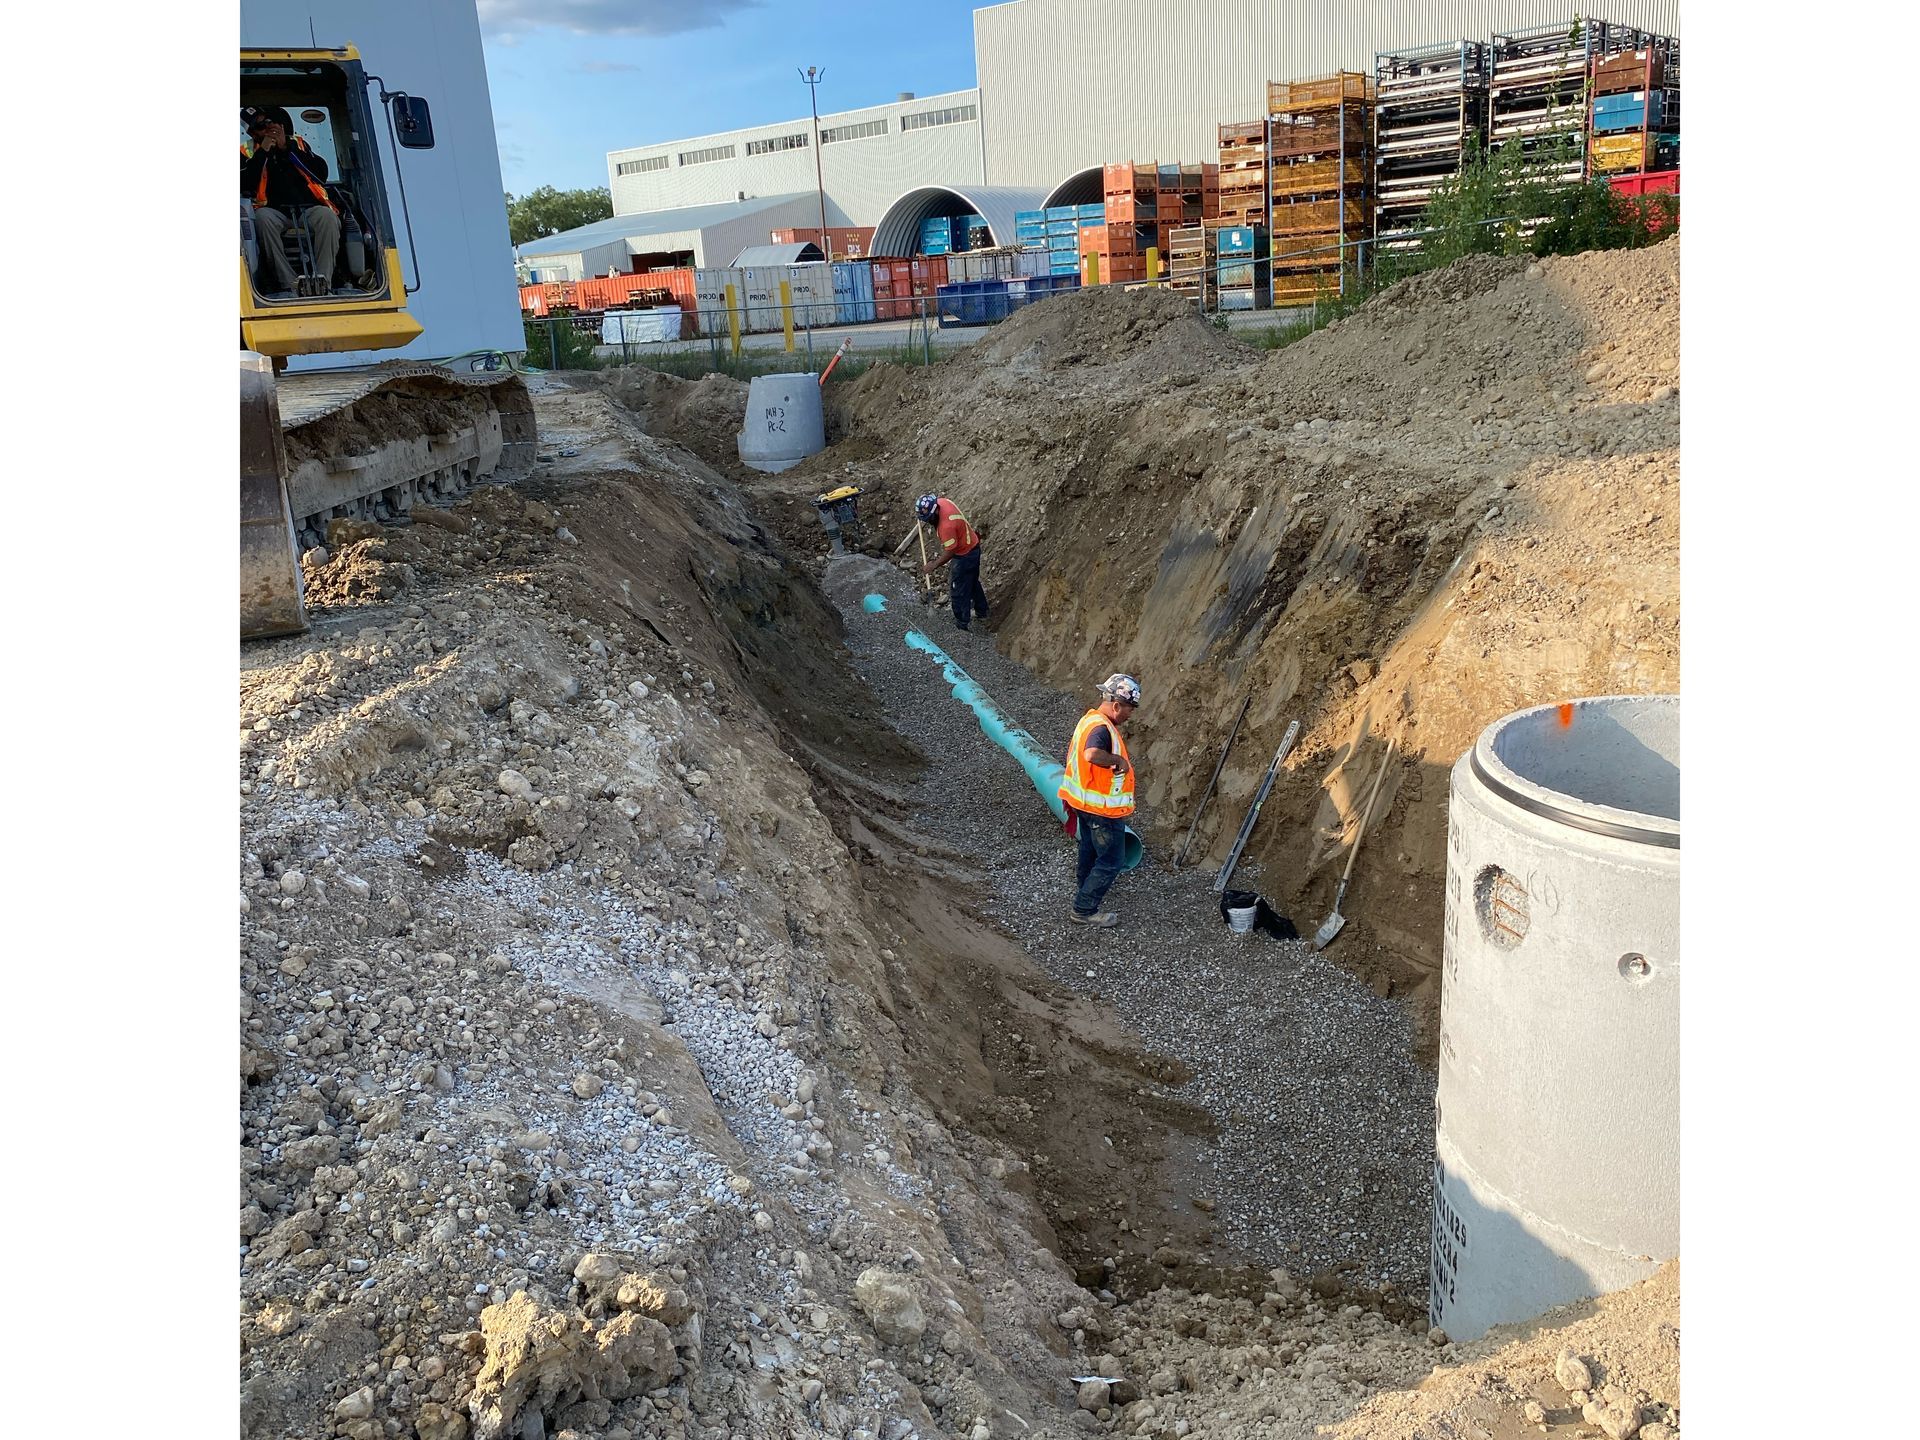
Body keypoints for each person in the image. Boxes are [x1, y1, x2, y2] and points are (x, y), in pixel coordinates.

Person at [1058, 673, 1141, 928]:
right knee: (1112, 860)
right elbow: (1092, 754)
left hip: (1084, 803)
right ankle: (1084, 909)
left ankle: (1085, 890)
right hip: (1102, 811)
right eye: (1129, 709)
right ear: (1116, 705)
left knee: (1089, 850)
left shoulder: (1090, 719)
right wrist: (1117, 761)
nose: (1129, 715)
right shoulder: (1101, 727)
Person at [241, 105, 341, 296]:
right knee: (263, 219)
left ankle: (324, 281)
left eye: (269, 122)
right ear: (252, 132)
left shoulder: (298, 145)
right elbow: (245, 183)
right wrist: (264, 152)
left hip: (308, 209)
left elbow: (319, 174)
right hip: (273, 211)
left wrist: (286, 148)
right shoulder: (248, 152)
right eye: (261, 126)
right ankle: (289, 284)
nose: (268, 128)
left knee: (327, 217)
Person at [916, 493, 990, 632]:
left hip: (965, 554)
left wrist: (933, 565)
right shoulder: (942, 502)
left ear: (935, 511)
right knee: (972, 581)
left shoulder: (946, 527)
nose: (928, 522)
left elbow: (950, 551)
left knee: (958, 588)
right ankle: (982, 611)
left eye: (929, 519)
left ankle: (962, 624)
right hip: (972, 545)